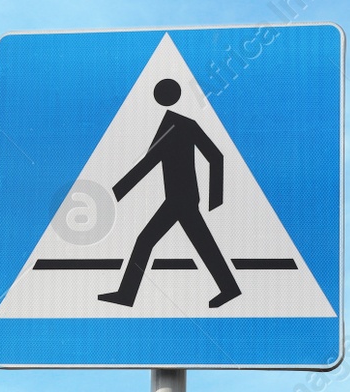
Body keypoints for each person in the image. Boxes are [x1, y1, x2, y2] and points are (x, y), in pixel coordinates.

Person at [98, 78, 242, 310]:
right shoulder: (179, 124)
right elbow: (151, 162)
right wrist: (117, 192)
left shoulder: (175, 125)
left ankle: (126, 295)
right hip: (179, 198)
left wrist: (216, 200)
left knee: (147, 240)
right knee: (199, 243)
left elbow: (214, 157)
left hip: (180, 199)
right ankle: (229, 288)